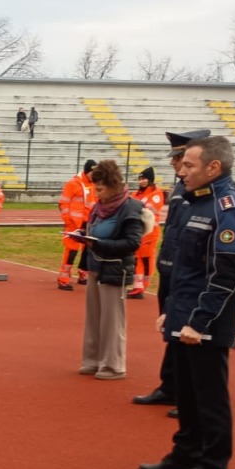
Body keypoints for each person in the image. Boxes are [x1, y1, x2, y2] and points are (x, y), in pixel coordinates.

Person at [137, 135, 235, 469]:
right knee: (186, 395)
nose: (180, 170)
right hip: (185, 313)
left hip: (207, 322)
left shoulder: (228, 208)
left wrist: (199, 322)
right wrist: (171, 310)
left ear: (213, 167)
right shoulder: (194, 201)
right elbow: (186, 267)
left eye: (188, 165)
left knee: (210, 400)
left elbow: (224, 276)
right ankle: (185, 457)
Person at [132, 129, 210, 413]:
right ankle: (170, 386)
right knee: (171, 329)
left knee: (186, 333)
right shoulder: (180, 188)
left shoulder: (200, 190)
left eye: (180, 157)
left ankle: (187, 393)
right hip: (171, 270)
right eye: (177, 158)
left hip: (188, 273)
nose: (175, 163)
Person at [76, 159, 146, 380]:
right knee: (94, 316)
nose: (97, 193)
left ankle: (113, 365)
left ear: (113, 185)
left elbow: (132, 243)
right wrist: (83, 234)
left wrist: (99, 244)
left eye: (100, 188)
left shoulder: (131, 208)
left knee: (112, 319)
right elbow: (93, 229)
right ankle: (93, 359)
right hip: (96, 265)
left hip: (115, 269)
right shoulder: (98, 207)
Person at [57, 159, 97, 290]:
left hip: (89, 223)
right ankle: (64, 278)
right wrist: (68, 221)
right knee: (71, 251)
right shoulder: (73, 184)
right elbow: (63, 203)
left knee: (87, 251)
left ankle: (82, 274)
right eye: (93, 172)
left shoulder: (93, 185)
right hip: (74, 223)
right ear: (87, 171)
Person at [129, 167, 165, 299]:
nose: (142, 181)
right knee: (136, 259)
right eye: (140, 179)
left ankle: (143, 285)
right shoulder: (137, 194)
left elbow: (148, 209)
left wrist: (136, 207)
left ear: (150, 180)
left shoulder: (156, 194)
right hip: (139, 232)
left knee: (145, 259)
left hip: (150, 232)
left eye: (144, 179)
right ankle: (137, 286)